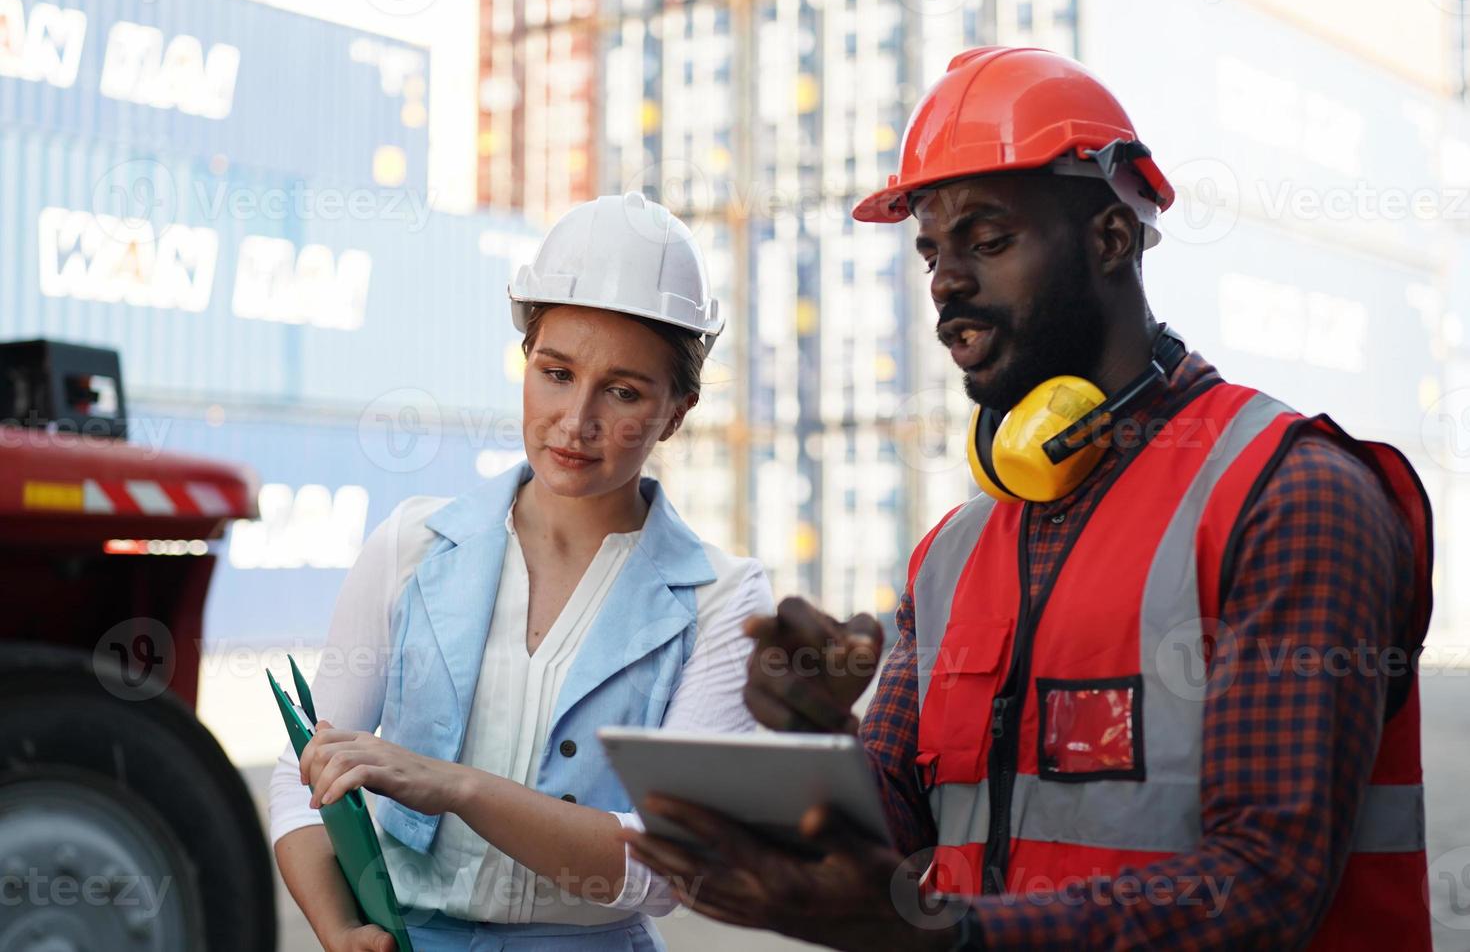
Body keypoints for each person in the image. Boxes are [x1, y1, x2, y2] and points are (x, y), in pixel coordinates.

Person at [623, 46, 1434, 950]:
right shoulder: (955, 553)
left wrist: (948, 937)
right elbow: (889, 840)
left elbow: (1264, 886)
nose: (946, 281)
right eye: (932, 249)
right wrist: (815, 735)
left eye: (988, 239)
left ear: (1111, 240)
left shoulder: (1288, 497)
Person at [268, 191, 773, 952]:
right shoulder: (413, 545)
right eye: (556, 372)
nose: (576, 422)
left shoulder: (724, 601)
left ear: (677, 410)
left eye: (625, 391)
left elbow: (669, 870)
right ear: (526, 360)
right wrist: (339, 929)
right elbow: (304, 774)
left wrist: (457, 787)